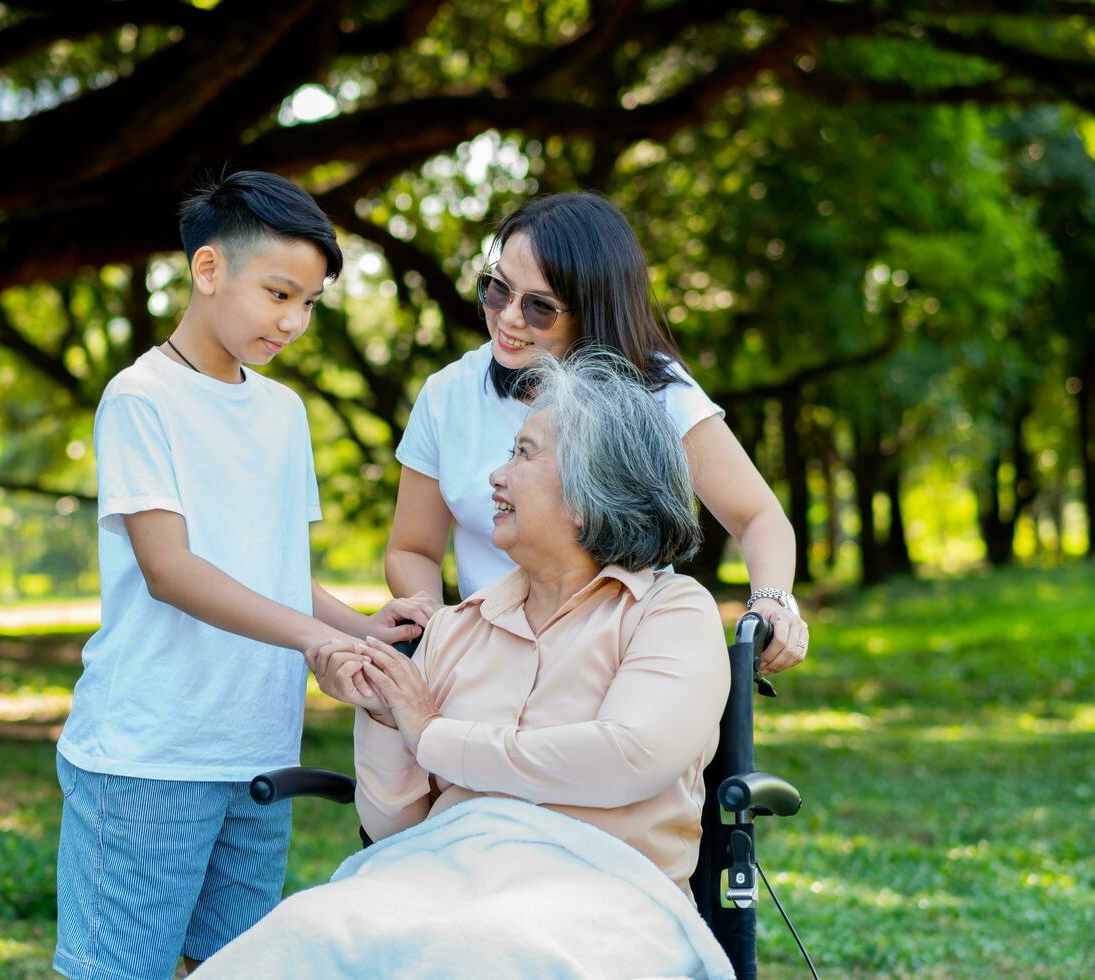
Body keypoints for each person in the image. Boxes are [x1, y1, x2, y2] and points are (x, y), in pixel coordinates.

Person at [193, 353, 734, 977]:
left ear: (593, 491)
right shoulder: (455, 627)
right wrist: (385, 715)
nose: (495, 476)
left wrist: (433, 733)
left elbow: (629, 755)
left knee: (482, 954)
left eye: (524, 454)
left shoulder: (668, 612)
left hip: (603, 889)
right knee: (298, 934)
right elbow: (394, 827)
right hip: (434, 872)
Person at [53, 169, 428, 980]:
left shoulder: (283, 412)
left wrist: (366, 629)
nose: (293, 321)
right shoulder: (140, 398)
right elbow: (171, 570)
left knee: (232, 968)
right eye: (279, 294)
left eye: (309, 304)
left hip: (258, 753)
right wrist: (313, 640)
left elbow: (277, 569)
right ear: (209, 269)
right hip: (148, 756)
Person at [385, 192, 809, 674]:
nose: (508, 317)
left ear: (592, 307)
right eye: (498, 289)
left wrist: (771, 600)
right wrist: (444, 629)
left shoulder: (657, 393)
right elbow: (411, 548)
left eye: (540, 306)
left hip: (628, 656)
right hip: (489, 660)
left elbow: (757, 516)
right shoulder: (449, 393)